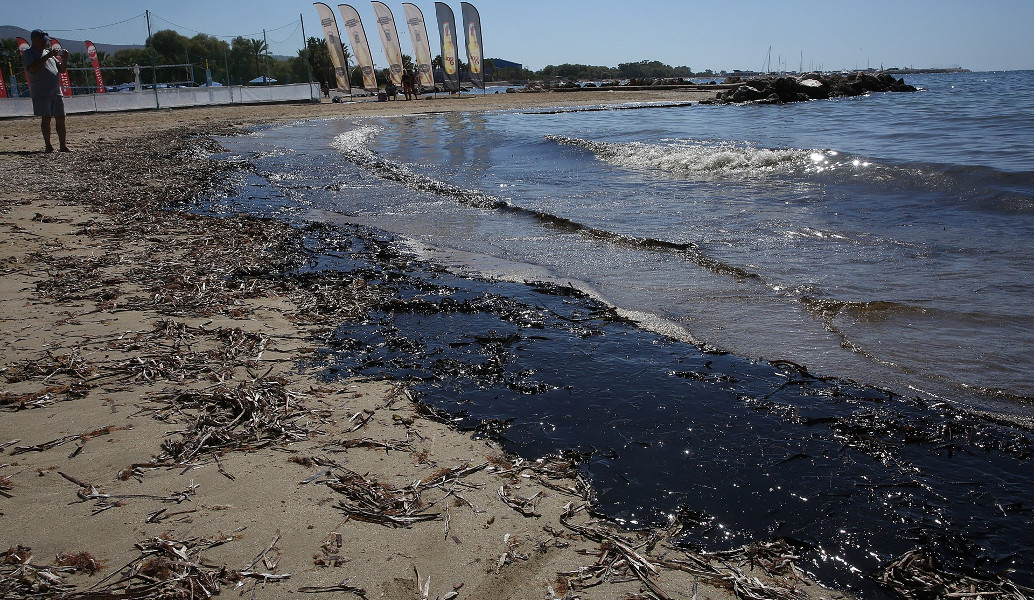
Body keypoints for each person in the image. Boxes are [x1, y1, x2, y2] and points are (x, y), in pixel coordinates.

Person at [22, 30, 70, 153]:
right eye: (42, 40)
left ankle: (62, 145)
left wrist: (64, 60)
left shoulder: (49, 53)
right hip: (41, 91)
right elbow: (33, 67)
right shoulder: (28, 53)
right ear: (33, 39)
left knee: (61, 117)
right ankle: (48, 145)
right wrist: (47, 56)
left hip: (56, 90)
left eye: (45, 40)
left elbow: (61, 70)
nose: (44, 42)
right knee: (46, 118)